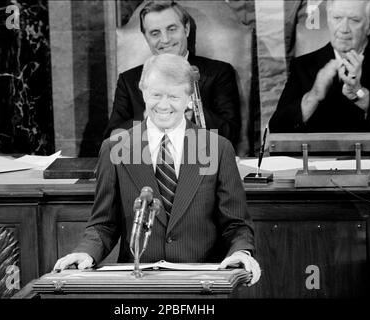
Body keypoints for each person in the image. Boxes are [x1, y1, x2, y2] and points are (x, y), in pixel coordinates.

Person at [54, 53, 261, 286]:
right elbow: (104, 223)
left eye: (173, 96)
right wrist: (86, 252)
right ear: (143, 91)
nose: (163, 105)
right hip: (138, 283)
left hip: (201, 282)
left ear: (189, 98)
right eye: (156, 95)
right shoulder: (115, 148)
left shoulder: (218, 148)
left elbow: (235, 224)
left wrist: (241, 253)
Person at [104, 0, 242, 150]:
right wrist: (147, 120)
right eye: (155, 33)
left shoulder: (219, 73)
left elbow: (230, 134)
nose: (165, 39)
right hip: (146, 166)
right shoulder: (128, 80)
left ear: (186, 29)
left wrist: (192, 111)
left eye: (171, 29)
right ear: (146, 38)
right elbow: (111, 140)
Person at [269, 0, 370, 133]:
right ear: (329, 20)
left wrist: (363, 97)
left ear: (369, 26)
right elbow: (277, 130)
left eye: (354, 20)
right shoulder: (304, 66)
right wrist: (313, 96)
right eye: (337, 18)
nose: (344, 29)